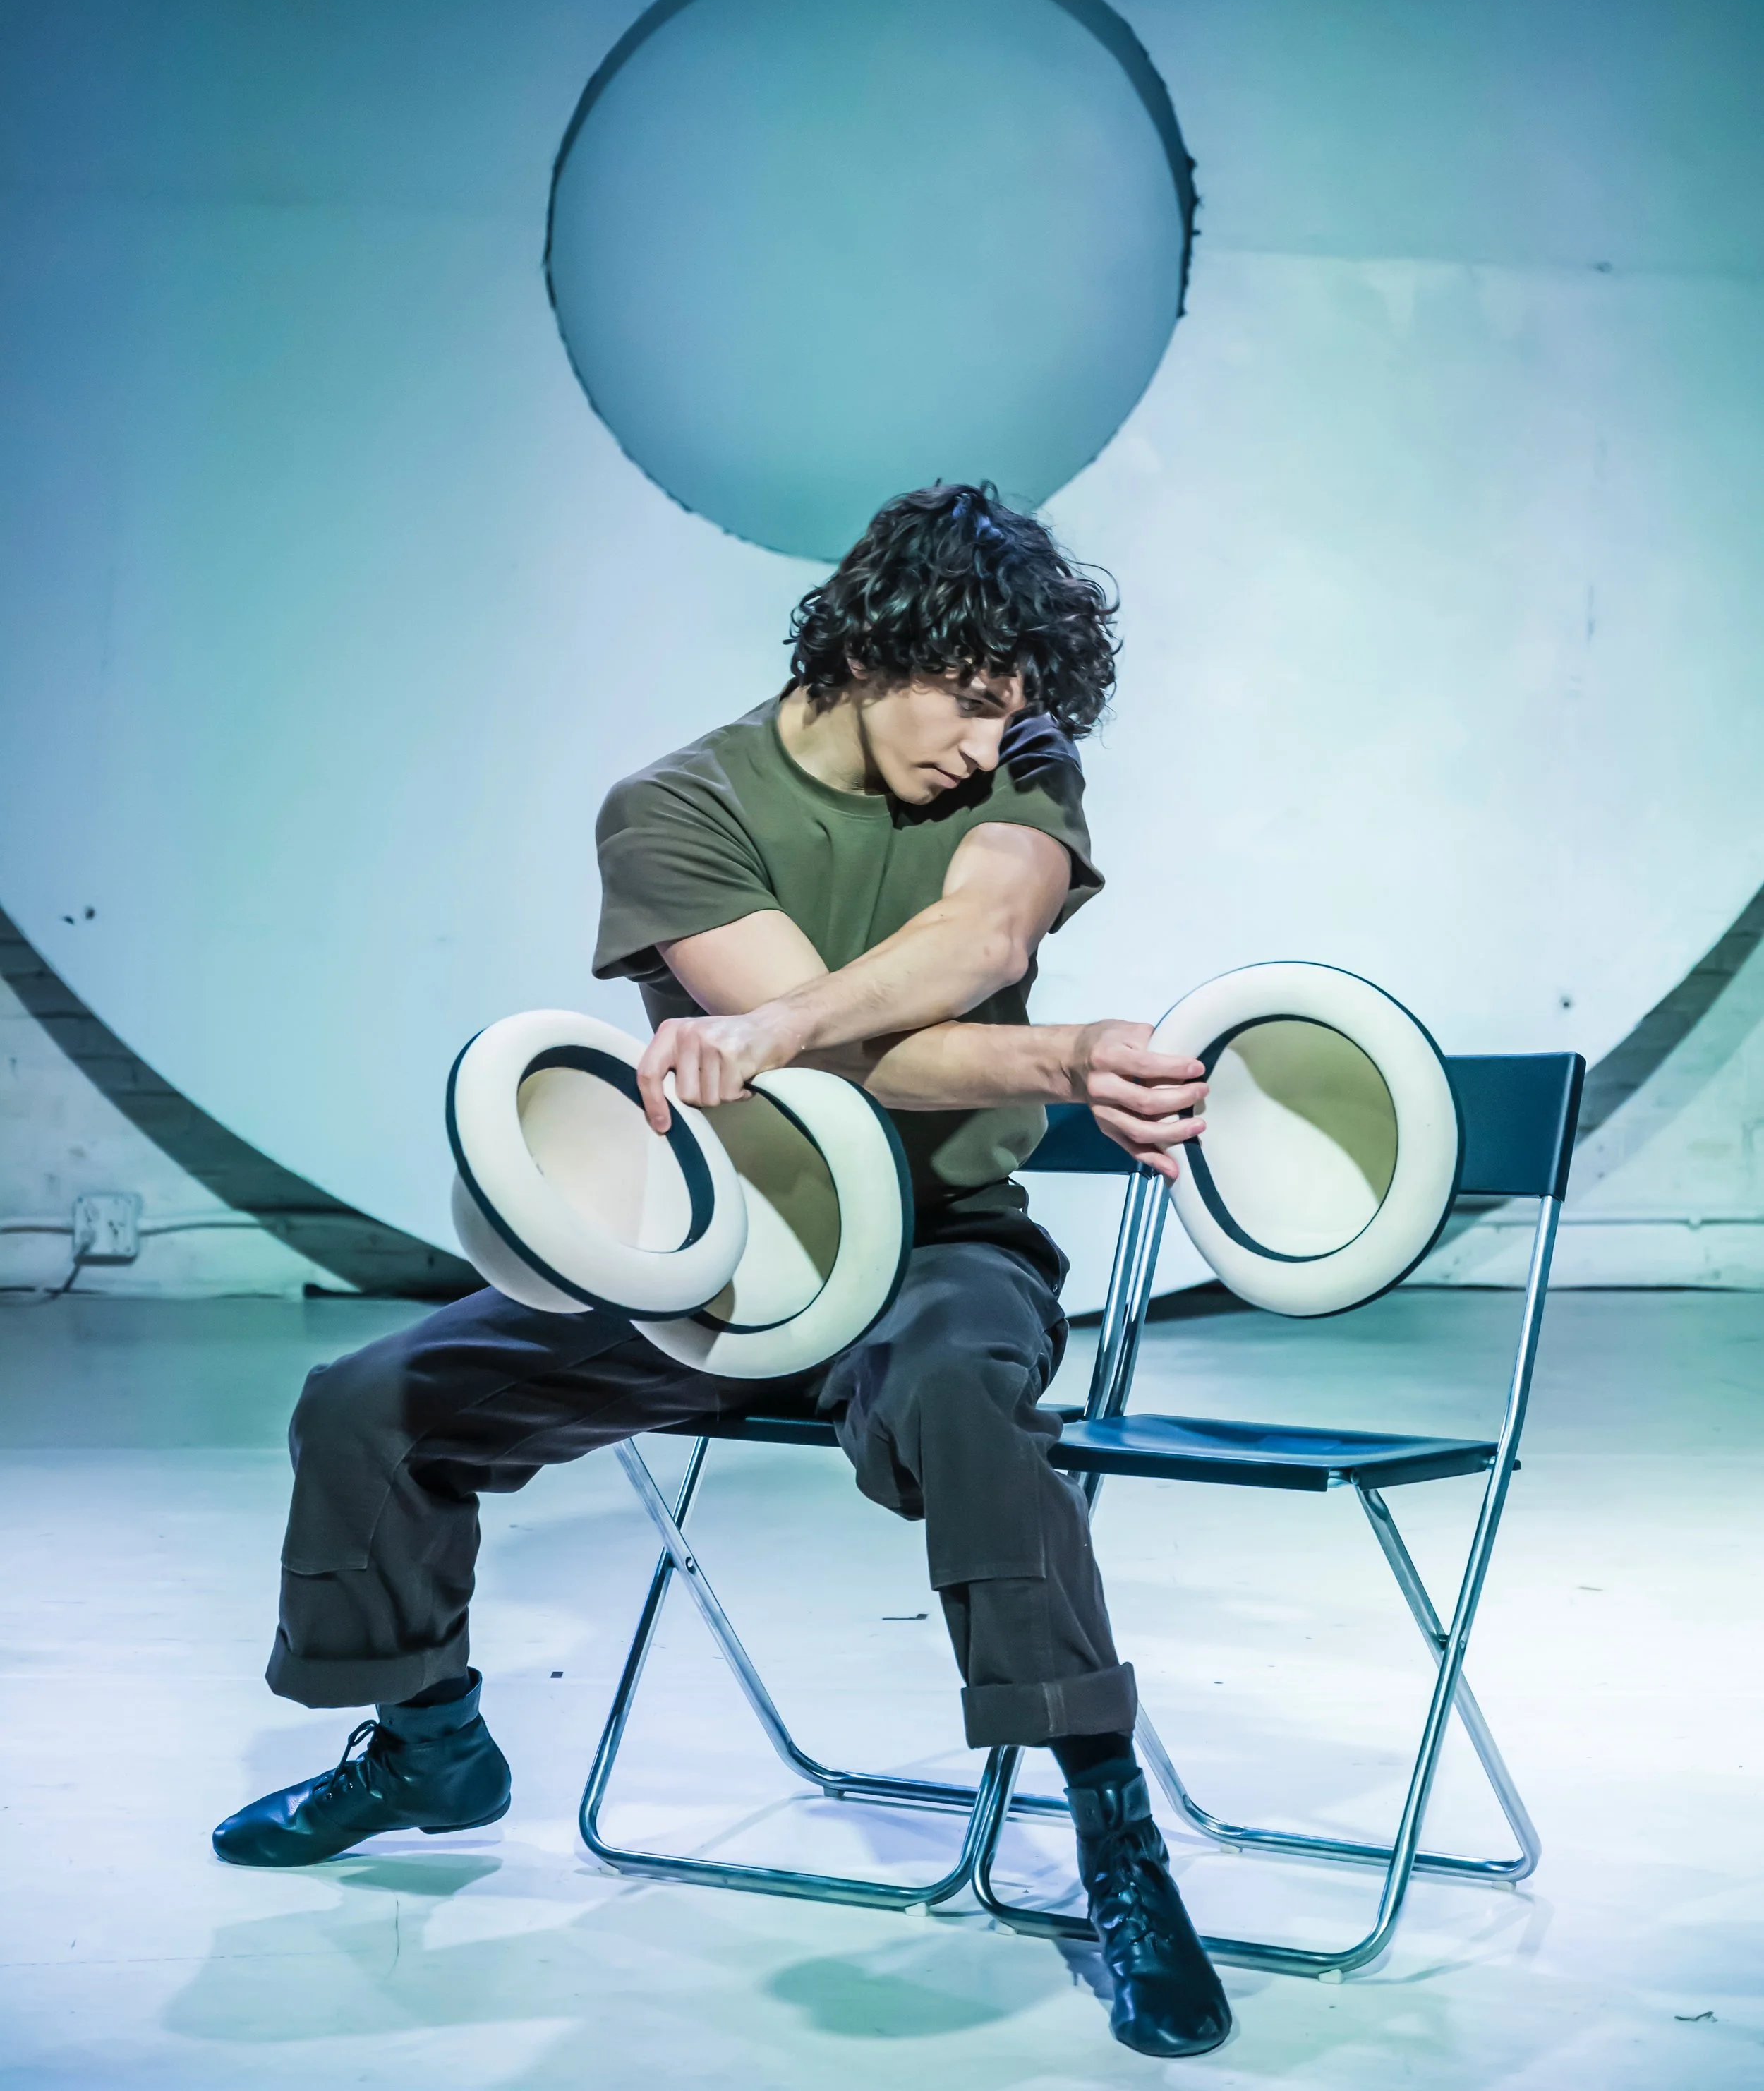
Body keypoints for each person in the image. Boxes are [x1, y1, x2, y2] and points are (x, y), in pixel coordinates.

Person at [213, 482, 1231, 2060]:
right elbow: (849, 1065)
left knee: (963, 1399)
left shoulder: (1023, 762)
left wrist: (1002, 1039)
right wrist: (1039, 1050)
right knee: (370, 1400)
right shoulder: (674, 805)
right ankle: (426, 1741)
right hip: (727, 1257)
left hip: (942, 1249)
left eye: (1014, 717)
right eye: (968, 700)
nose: (990, 743)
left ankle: (1114, 1835)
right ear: (874, 643)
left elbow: (971, 941)